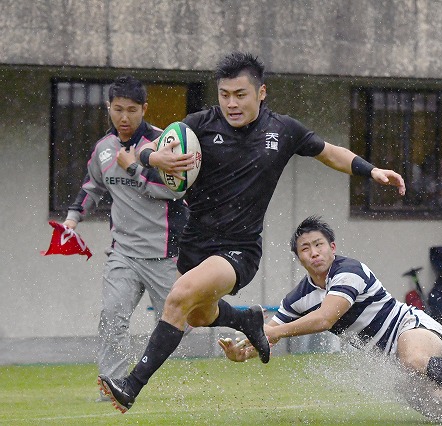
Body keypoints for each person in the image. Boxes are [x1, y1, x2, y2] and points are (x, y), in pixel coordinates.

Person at [98, 51, 406, 413]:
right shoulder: (199, 123)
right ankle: (246, 318)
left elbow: (329, 152)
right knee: (197, 315)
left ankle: (131, 385)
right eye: (224, 94)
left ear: (261, 92)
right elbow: (153, 147)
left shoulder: (283, 130)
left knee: (178, 296)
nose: (231, 103)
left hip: (239, 250)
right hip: (194, 243)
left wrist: (371, 171)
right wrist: (153, 159)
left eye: (240, 94)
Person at [219, 216, 442, 425]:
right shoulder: (298, 297)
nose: (314, 252)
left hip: (411, 328)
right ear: (299, 258)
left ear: (332, 247)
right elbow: (267, 333)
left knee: (412, 358)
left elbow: (325, 318)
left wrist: (277, 332)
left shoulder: (350, 270)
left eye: (318, 244)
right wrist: (243, 351)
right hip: (392, 359)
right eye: (305, 249)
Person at [63, 75, 187, 400]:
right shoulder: (104, 149)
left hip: (165, 255)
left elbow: (175, 189)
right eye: (118, 109)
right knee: (111, 318)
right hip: (124, 255)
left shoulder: (164, 143)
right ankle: (112, 389)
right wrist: (73, 218)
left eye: (132, 110)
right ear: (109, 108)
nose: (124, 118)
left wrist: (134, 167)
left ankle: (246, 327)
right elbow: (92, 187)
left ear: (144, 109)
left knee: (185, 322)